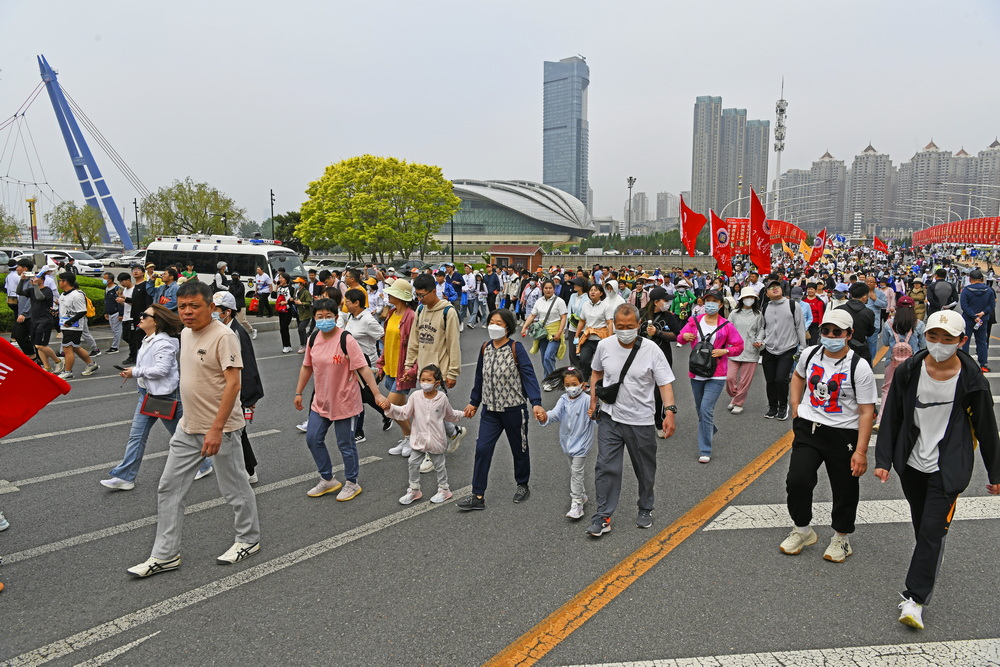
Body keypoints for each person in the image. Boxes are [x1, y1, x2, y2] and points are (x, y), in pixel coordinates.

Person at [874, 309, 1000, 630]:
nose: (939, 344)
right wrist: (884, 460)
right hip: (912, 464)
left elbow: (987, 429)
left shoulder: (973, 381)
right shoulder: (910, 370)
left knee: (931, 531)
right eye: (933, 336)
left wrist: (995, 473)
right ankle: (929, 558)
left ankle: (914, 598)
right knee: (924, 528)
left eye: (948, 339)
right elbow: (893, 416)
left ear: (962, 340)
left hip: (948, 469)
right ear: (923, 335)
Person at [127, 281, 260, 577]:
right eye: (182, 306)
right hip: (188, 427)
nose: (187, 312)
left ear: (211, 307)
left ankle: (248, 539)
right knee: (169, 487)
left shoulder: (224, 337)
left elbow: (234, 384)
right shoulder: (185, 334)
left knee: (234, 487)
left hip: (221, 429)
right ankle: (165, 555)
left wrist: (216, 429)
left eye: (194, 306)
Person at [780, 309, 876, 563]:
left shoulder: (859, 366)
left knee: (844, 488)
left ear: (849, 335)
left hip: (843, 433)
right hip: (809, 428)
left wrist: (861, 451)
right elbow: (798, 376)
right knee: (797, 480)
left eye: (837, 332)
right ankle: (802, 530)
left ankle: (841, 538)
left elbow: (867, 411)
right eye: (826, 331)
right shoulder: (810, 354)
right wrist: (795, 405)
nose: (830, 336)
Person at [586, 304, 677, 537]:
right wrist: (594, 401)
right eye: (620, 326)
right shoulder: (605, 345)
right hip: (610, 417)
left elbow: (664, 383)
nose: (624, 331)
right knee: (606, 466)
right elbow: (596, 372)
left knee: (645, 469)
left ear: (639, 325)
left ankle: (645, 507)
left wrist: (669, 411)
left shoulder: (651, 349)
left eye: (630, 326)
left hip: (641, 420)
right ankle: (603, 515)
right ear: (614, 325)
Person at [102, 304, 214, 490]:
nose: (141, 317)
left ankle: (204, 464)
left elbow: (161, 370)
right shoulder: (148, 339)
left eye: (145, 315)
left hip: (167, 397)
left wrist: (135, 372)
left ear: (156, 322)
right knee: (136, 437)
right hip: (148, 395)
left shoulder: (163, 343)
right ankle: (125, 477)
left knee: (185, 435)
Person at [293, 298, 386, 500]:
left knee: (345, 444)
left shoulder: (346, 339)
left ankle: (352, 483)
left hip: (345, 401)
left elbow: (362, 367)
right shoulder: (313, 338)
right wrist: (299, 392)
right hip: (321, 401)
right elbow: (307, 366)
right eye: (320, 317)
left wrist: (376, 393)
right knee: (313, 438)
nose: (324, 320)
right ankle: (328, 479)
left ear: (336, 317)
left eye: (328, 316)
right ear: (315, 318)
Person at [457, 308, 544, 510]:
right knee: (482, 449)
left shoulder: (516, 348)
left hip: (514, 409)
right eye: (492, 322)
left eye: (499, 323)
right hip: (490, 411)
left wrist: (536, 402)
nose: (494, 326)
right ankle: (478, 496)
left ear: (508, 327)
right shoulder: (485, 348)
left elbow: (529, 375)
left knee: (519, 449)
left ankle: (522, 484)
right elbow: (480, 377)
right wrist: (474, 401)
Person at [403, 274, 466, 472]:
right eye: (417, 295)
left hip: (439, 371)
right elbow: (415, 339)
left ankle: (430, 453)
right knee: (432, 412)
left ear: (433, 291)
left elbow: (453, 344)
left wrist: (452, 372)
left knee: (429, 414)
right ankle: (454, 432)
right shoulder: (420, 309)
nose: (419, 299)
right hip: (423, 370)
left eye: (422, 295)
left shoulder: (448, 312)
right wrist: (409, 365)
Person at [678, 290, 744, 463]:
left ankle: (705, 449)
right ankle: (709, 428)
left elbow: (739, 345)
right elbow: (680, 338)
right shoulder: (693, 321)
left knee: (706, 409)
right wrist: (684, 336)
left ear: (721, 305)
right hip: (696, 371)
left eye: (715, 301)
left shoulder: (726, 325)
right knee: (700, 410)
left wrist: (725, 350)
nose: (711, 304)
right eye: (708, 300)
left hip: (717, 373)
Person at [387, 364, 464, 505]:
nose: (425, 383)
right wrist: (390, 407)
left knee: (439, 466)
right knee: (412, 463)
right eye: (422, 379)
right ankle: (414, 490)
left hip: (436, 440)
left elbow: (450, 415)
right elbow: (404, 412)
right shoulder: (415, 396)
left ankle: (444, 490)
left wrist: (464, 414)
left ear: (437, 383)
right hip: (419, 439)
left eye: (429, 380)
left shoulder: (441, 398)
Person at [213, 291, 265, 484]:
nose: (212, 312)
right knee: (235, 433)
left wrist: (248, 398)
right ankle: (244, 469)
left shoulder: (235, 332)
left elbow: (248, 365)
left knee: (238, 433)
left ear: (227, 312)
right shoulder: (223, 330)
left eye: (215, 309)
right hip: (228, 391)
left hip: (238, 393)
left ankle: (249, 470)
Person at [537, 367, 596, 520]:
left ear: (583, 384)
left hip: (582, 444)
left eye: (574, 384)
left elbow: (599, 422)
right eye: (568, 385)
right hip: (567, 443)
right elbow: (555, 414)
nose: (571, 388)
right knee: (574, 472)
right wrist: (544, 416)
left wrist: (595, 415)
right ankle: (582, 495)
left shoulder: (587, 400)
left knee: (576, 473)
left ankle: (577, 504)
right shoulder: (563, 399)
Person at [339, 287, 391, 442]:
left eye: (347, 301)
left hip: (368, 364)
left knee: (361, 396)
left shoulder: (368, 320)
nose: (345, 303)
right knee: (364, 396)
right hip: (353, 364)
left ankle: (358, 432)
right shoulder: (351, 316)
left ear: (357, 302)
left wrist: (384, 360)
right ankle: (387, 413)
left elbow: (385, 338)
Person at [755, 276, 806, 420]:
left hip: (788, 348)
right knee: (770, 380)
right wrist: (759, 340)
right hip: (769, 349)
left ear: (782, 289)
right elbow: (763, 328)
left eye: (777, 286)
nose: (774, 289)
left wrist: (802, 347)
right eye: (771, 288)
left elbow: (800, 327)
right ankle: (772, 407)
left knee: (781, 379)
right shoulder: (765, 307)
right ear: (766, 293)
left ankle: (783, 405)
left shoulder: (792, 305)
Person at [376, 278, 418, 456]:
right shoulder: (392, 314)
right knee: (398, 411)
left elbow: (416, 346)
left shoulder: (411, 316)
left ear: (400, 296)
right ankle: (410, 438)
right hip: (391, 368)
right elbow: (386, 342)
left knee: (389, 408)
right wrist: (381, 363)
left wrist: (412, 369)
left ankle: (411, 438)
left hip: (404, 371)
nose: (388, 294)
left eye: (392, 292)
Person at [521, 279, 568, 379]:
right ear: (542, 289)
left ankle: (552, 379)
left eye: (550, 288)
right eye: (546, 288)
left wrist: (560, 332)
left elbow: (563, 318)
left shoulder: (559, 301)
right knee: (544, 358)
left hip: (555, 333)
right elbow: (532, 315)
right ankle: (549, 377)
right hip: (542, 333)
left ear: (554, 289)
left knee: (548, 356)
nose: (548, 290)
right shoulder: (539, 301)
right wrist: (524, 327)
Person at [726, 286, 762, 415]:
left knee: (745, 381)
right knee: (729, 378)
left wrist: (759, 341)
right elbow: (727, 328)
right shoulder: (734, 313)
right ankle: (735, 396)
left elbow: (761, 330)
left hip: (751, 349)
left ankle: (739, 403)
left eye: (751, 297)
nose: (749, 299)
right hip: (734, 349)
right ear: (741, 299)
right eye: (746, 297)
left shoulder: (758, 314)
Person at [56, 273, 98, 379]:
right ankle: (91, 364)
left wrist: (70, 321)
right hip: (65, 325)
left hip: (73, 326)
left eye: (60, 280)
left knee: (67, 348)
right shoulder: (63, 295)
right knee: (75, 347)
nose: (59, 283)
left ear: (65, 282)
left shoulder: (77, 295)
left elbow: (82, 311)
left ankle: (68, 371)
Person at [22, 270, 59, 373]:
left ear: (42, 279)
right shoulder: (33, 290)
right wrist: (22, 280)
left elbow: (40, 297)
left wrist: (35, 286)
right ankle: (47, 367)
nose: (33, 279)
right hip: (34, 320)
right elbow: (20, 292)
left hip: (44, 320)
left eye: (35, 277)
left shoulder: (47, 290)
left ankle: (58, 361)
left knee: (40, 345)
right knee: (38, 346)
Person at [959, 268, 995, 372]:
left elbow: (964, 306)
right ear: (982, 279)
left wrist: (974, 316)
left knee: (965, 341)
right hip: (982, 320)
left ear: (970, 279)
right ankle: (983, 364)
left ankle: (965, 365)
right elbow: (992, 305)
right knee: (982, 342)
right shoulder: (989, 290)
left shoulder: (966, 290)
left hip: (969, 319)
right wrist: (982, 313)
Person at [576, 283, 613, 380]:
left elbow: (609, 323)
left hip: (600, 339)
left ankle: (600, 382)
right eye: (591, 290)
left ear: (601, 293)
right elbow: (582, 321)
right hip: (588, 338)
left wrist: (609, 338)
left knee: (601, 363)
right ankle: (585, 382)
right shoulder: (585, 305)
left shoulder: (606, 306)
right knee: (583, 361)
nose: (592, 292)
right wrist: (576, 336)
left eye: (595, 290)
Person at [836, 282, 875, 365]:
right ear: (864, 296)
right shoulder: (869, 312)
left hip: (840, 348)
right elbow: (870, 332)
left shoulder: (838, 309)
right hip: (861, 349)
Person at [124, 265, 152, 365]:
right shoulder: (136, 286)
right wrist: (125, 299)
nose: (135, 271)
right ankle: (137, 357)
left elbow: (148, 302)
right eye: (134, 270)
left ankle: (142, 359)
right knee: (135, 338)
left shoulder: (145, 285)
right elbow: (136, 301)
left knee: (141, 338)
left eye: (138, 270)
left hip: (142, 317)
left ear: (143, 273)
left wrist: (146, 315)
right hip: (135, 316)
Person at [227, 272, 256, 339]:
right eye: (233, 276)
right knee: (231, 320)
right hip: (232, 305)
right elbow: (229, 293)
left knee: (242, 320)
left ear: (239, 277)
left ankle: (252, 330)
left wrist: (232, 289)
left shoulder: (241, 285)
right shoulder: (231, 284)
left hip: (240, 305)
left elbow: (236, 293)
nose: (234, 278)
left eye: (236, 276)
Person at [102, 271, 123, 353]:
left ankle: (115, 347)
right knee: (114, 330)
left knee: (117, 331)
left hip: (116, 312)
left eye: (105, 278)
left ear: (110, 280)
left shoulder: (117, 288)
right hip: (110, 312)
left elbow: (121, 302)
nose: (103, 280)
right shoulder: (107, 288)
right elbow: (106, 301)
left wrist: (121, 314)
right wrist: (106, 312)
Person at [274, 273, 296, 353]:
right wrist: (276, 287)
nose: (280, 279)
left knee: (284, 328)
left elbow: (292, 300)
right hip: (281, 310)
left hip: (287, 310)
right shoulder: (279, 288)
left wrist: (286, 302)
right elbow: (274, 296)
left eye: (281, 278)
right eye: (279, 278)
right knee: (283, 329)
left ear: (286, 279)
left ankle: (286, 346)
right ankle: (287, 345)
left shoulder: (290, 288)